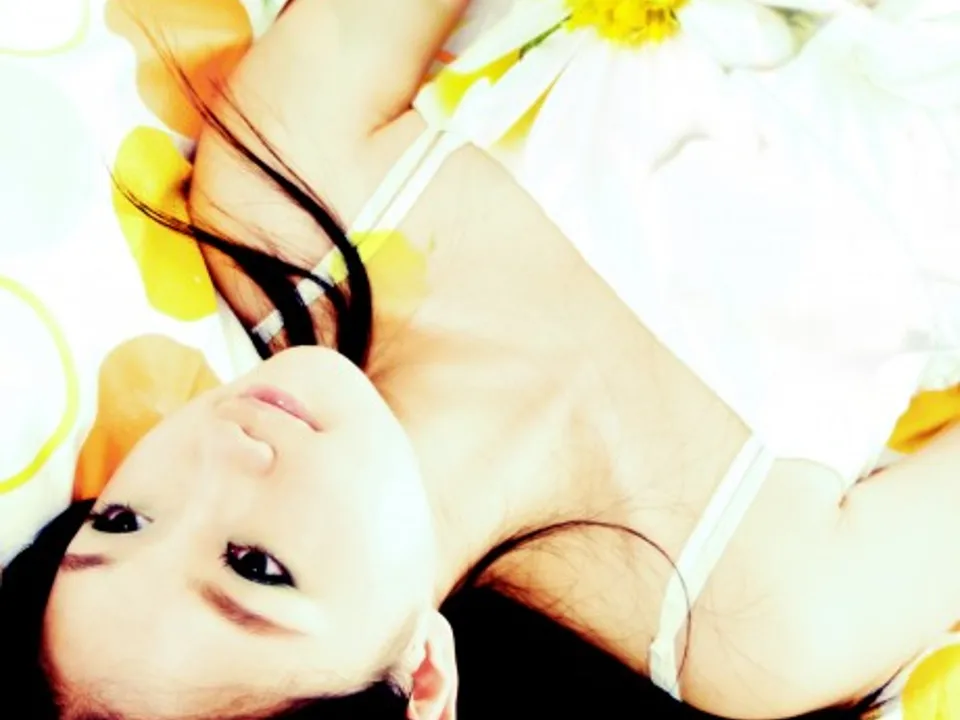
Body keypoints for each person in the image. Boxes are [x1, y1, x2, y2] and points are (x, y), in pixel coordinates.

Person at [2, 0, 959, 718]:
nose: (218, 455)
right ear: (419, 679)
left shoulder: (281, 211)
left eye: (124, 518)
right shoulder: (752, 623)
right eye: (256, 567)